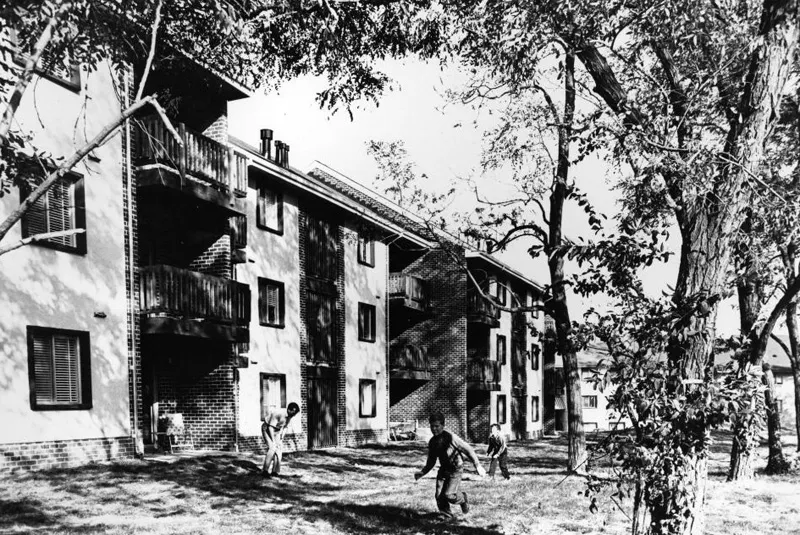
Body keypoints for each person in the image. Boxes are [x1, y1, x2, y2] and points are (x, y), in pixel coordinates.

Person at [414, 411, 486, 517]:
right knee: (439, 495)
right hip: (444, 469)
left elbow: (468, 449)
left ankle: (463, 499)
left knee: (449, 495)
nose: (434, 429)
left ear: (443, 425)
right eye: (432, 426)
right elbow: (431, 461)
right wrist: (422, 472)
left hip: (456, 469)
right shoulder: (432, 442)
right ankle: (446, 515)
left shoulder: (451, 438)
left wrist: (478, 465)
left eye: (437, 426)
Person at [262, 402, 299, 476]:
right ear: (289, 410)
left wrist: (281, 439)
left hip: (277, 430)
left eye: (295, 414)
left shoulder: (289, 416)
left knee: (279, 448)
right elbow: (270, 427)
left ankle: (274, 471)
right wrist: (273, 441)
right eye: (293, 413)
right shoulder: (278, 413)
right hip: (267, 428)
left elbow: (285, 427)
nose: (294, 415)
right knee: (272, 447)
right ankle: (265, 471)